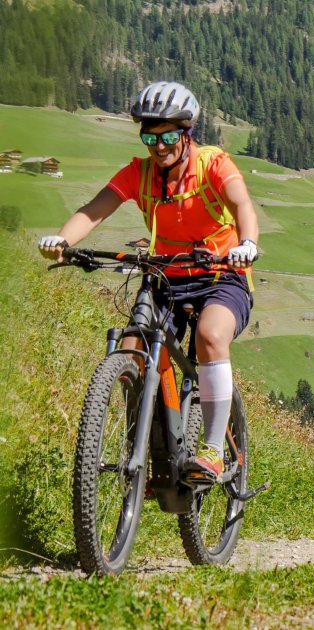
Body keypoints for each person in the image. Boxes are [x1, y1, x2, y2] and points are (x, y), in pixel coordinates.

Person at [38, 81, 260, 483]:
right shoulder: (138, 173)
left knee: (210, 336)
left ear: (186, 132)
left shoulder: (212, 164)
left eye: (169, 136)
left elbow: (242, 203)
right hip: (166, 277)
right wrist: (64, 240)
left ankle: (211, 450)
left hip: (221, 275)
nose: (158, 146)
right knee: (130, 345)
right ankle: (141, 448)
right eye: (149, 136)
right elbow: (94, 210)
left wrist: (247, 243)